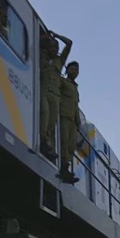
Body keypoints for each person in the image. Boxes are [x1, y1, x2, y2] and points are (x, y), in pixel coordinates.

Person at [39, 30, 72, 161]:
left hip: (56, 95)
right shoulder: (41, 56)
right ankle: (42, 141)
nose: (54, 49)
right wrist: (46, 37)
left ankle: (48, 146)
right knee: (45, 114)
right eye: (52, 46)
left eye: (56, 47)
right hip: (44, 90)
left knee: (52, 122)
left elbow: (69, 43)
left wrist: (56, 36)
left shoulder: (60, 60)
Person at [58, 61, 81, 184]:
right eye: (72, 69)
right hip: (64, 116)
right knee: (64, 142)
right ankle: (62, 166)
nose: (74, 72)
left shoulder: (75, 88)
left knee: (71, 147)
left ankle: (66, 167)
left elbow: (75, 105)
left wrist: (78, 121)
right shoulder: (63, 82)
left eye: (76, 70)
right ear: (67, 70)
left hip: (73, 120)